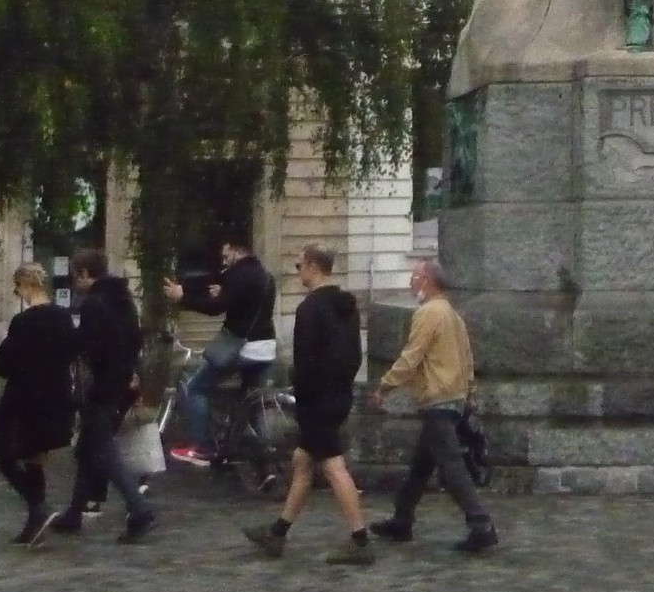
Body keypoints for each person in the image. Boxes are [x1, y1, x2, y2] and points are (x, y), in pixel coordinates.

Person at [244, 244, 374, 565]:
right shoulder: (348, 307)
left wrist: (304, 396)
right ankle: (277, 533)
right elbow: (354, 356)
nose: (296, 269)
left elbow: (305, 364)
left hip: (317, 401)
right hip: (339, 395)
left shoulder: (310, 309)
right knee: (303, 462)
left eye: (299, 264)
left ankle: (361, 541)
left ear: (314, 266)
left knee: (333, 466)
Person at [364, 259, 497, 553]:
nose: (411, 282)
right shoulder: (453, 315)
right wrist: (468, 394)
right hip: (453, 399)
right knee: (421, 467)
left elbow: (411, 357)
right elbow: (467, 360)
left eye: (414, 276)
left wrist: (384, 386)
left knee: (452, 467)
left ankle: (481, 525)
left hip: (437, 400)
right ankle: (402, 519)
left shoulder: (428, 313)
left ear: (427, 281)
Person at [40, 250, 155, 544]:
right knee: (87, 451)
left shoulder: (93, 303)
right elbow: (135, 339)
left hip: (101, 387)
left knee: (102, 449)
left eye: (76, 275)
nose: (75, 282)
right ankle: (74, 513)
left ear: (83, 274)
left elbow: (89, 347)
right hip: (121, 384)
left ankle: (139, 509)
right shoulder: (123, 299)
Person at [0, 264, 78, 544]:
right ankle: (35, 521)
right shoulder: (63, 318)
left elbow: (4, 365)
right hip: (56, 396)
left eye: (18, 289)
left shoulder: (23, 322)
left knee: (2, 453)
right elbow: (71, 352)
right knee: (36, 456)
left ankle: (38, 507)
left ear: (25, 286)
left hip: (25, 397)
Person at [162, 235, 277, 466]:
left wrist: (182, 297)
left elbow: (216, 309)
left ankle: (202, 448)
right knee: (252, 402)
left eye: (227, 256)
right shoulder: (265, 275)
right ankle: (268, 459)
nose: (225, 261)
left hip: (243, 348)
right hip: (266, 348)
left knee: (195, 387)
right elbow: (236, 298)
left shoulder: (240, 274)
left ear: (238, 251)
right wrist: (219, 293)